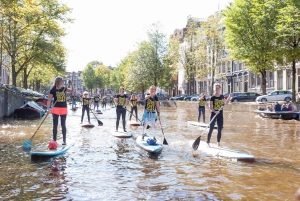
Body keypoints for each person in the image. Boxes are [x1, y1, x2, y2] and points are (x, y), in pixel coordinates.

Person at [46, 77, 74, 145]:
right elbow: (49, 100)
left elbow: (73, 91)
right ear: (58, 82)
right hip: (55, 108)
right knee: (55, 125)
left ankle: (64, 140)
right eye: (62, 81)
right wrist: (48, 109)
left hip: (63, 109)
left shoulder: (64, 88)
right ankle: (54, 140)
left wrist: (71, 84)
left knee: (63, 124)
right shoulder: (53, 90)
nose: (63, 82)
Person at [206, 83, 232, 147]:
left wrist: (229, 96)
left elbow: (226, 103)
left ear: (220, 89)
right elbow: (211, 107)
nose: (217, 89)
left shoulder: (222, 96)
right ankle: (208, 142)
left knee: (220, 129)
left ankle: (218, 143)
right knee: (211, 128)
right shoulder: (213, 97)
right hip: (213, 114)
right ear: (214, 89)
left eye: (218, 88)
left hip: (220, 115)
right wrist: (215, 111)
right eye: (216, 88)